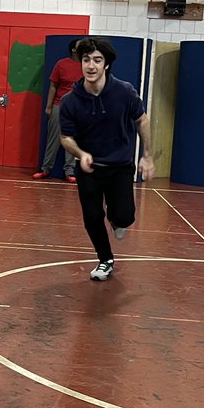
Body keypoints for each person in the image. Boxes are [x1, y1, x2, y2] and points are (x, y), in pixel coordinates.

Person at [59, 37, 154, 282]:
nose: (91, 65)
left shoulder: (124, 91)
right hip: (89, 169)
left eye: (97, 60)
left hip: (120, 167)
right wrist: (81, 154)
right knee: (91, 218)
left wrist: (148, 155)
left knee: (125, 218)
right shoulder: (70, 100)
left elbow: (142, 120)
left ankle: (117, 219)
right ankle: (105, 259)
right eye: (86, 60)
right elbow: (66, 138)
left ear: (106, 64)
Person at [33, 39, 82, 183]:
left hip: (77, 107)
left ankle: (70, 171)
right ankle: (45, 168)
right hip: (59, 105)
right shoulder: (61, 64)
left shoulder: (86, 65)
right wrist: (48, 106)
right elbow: (53, 86)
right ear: (73, 49)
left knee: (72, 139)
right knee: (53, 138)